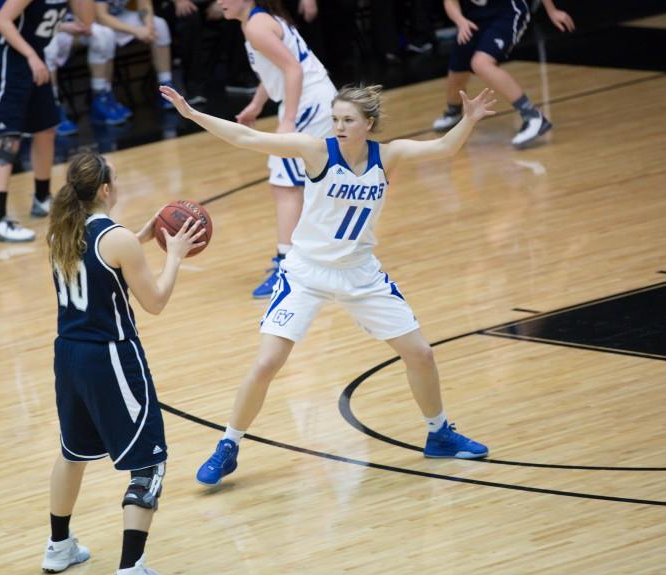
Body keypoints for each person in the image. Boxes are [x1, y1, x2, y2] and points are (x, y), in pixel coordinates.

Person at [160, 83, 495, 486]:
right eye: (335, 118)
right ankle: (229, 445)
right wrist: (192, 114)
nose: (338, 126)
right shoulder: (316, 150)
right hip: (305, 272)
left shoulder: (388, 156)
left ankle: (439, 433)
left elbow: (444, 149)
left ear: (368, 124)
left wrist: (469, 119)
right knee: (267, 363)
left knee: (421, 354)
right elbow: (248, 137)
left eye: (347, 120)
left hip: (360, 273)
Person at [42, 150, 202, 575]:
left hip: (68, 356)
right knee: (149, 464)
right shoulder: (117, 241)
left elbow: (102, 259)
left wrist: (139, 237)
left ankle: (59, 546)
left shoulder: (60, 230)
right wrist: (174, 255)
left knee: (72, 452)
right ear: (107, 190)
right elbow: (154, 302)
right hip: (110, 358)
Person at [217, 0, 336, 299]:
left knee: (285, 185)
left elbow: (293, 70)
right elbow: (275, 71)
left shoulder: (256, 26)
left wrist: (289, 122)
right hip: (312, 99)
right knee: (305, 183)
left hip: (310, 103)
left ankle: (289, 267)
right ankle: (315, 257)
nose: (219, 2)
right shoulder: (255, 21)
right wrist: (257, 105)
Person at [0, 0, 94, 242]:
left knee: (46, 130)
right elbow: (1, 21)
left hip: (35, 60)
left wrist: (63, 27)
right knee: (8, 141)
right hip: (9, 61)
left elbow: (87, 23)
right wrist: (32, 54)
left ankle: (42, 199)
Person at [431, 0, 575, 148]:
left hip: (507, 11)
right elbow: (450, 2)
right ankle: (453, 112)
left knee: (481, 63)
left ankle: (533, 116)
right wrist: (460, 20)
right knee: (457, 72)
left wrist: (552, 11)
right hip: (472, 16)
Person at [45, 11, 132, 129]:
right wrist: (63, 27)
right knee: (49, 48)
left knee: (104, 34)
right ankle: (52, 107)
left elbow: (86, 15)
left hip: (67, 29)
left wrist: (83, 25)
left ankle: (101, 97)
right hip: (41, 32)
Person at [94, 0, 177, 111]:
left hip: (121, 16)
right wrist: (136, 31)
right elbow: (101, 16)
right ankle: (103, 97)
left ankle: (166, 87)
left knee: (159, 24)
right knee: (103, 37)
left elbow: (144, 5)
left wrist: (149, 27)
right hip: (95, 22)